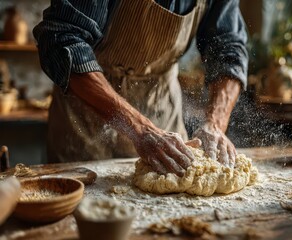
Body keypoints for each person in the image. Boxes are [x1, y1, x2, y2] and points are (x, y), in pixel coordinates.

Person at [33, 0, 248, 176]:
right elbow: (62, 39)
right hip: (88, 111)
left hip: (161, 106)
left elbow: (229, 49)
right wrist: (141, 130)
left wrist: (215, 123)